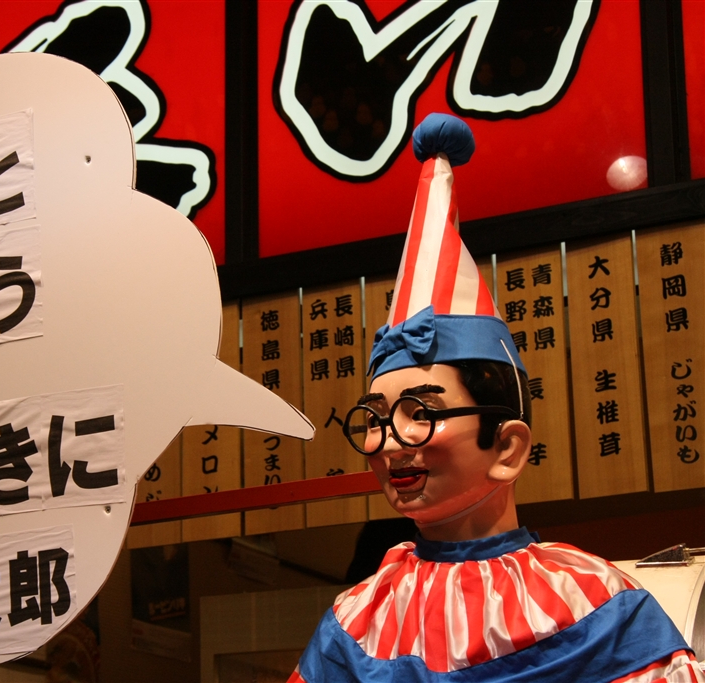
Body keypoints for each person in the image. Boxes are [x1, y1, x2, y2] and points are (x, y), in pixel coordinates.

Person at [288, 114, 704, 683]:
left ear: (508, 447)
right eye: (377, 419)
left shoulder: (594, 601)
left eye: (421, 413)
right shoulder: (355, 619)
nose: (388, 444)